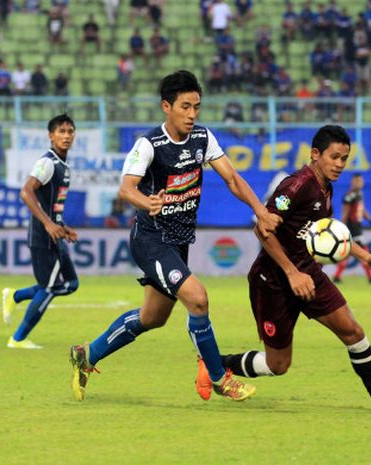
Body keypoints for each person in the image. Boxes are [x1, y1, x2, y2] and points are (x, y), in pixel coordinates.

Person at [68, 70, 281, 402]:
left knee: (152, 317)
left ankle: (87, 354)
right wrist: (146, 201)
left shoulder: (202, 138)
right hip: (151, 239)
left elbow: (233, 179)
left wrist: (260, 209)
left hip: (178, 241)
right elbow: (127, 188)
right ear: (166, 106)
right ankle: (219, 377)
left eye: (197, 106)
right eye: (185, 106)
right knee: (198, 298)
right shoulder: (149, 144)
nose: (192, 114)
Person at [195, 125, 371, 412]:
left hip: (309, 275)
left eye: (344, 158)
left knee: (353, 332)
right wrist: (292, 273)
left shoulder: (325, 187)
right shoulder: (295, 186)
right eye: (334, 157)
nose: (340, 164)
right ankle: (213, 363)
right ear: (315, 154)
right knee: (277, 365)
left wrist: (365, 257)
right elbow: (263, 230)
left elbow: (326, 232)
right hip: (274, 282)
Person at [1, 114, 79, 349]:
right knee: (52, 287)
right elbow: (26, 192)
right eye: (61, 131)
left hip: (55, 234)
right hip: (42, 236)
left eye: (70, 131)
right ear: (51, 136)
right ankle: (18, 339)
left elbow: (52, 204)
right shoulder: (47, 163)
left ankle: (15, 296)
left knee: (71, 284)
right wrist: (47, 224)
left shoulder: (63, 166)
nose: (66, 136)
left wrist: (61, 226)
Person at [333, 173, 371, 284]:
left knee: (347, 253)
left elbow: (362, 210)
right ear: (353, 182)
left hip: (358, 227)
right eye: (357, 181)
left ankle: (337, 276)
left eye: (361, 181)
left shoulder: (360, 194)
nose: (360, 183)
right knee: (364, 252)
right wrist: (342, 228)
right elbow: (345, 214)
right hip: (353, 229)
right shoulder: (349, 196)